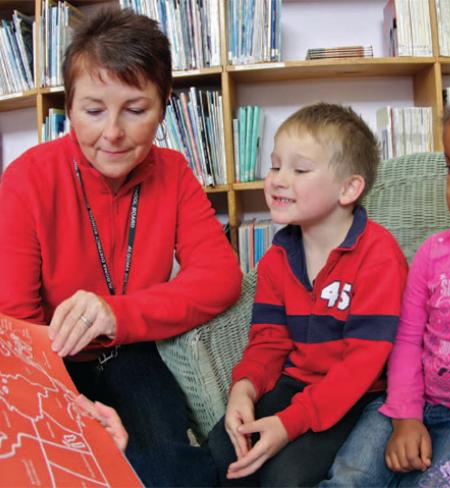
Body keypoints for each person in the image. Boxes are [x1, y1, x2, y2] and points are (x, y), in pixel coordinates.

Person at [0, 8, 242, 487]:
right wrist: (73, 409)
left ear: (164, 106)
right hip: (49, 361)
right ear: (67, 107)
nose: (112, 132)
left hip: (132, 348)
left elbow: (221, 276)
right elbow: (16, 321)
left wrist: (117, 315)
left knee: (169, 473)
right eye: (93, 111)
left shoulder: (172, 171)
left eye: (135, 110)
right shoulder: (27, 178)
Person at [320, 63, 450, 488]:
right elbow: (407, 338)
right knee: (348, 479)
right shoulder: (433, 255)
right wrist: (405, 416)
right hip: (403, 402)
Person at [207, 102, 408, 487]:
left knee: (286, 477)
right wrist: (243, 389)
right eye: (275, 165)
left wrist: (289, 424)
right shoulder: (277, 258)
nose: (279, 179)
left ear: (349, 188)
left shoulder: (379, 257)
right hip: (295, 385)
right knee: (221, 453)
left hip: (358, 397)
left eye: (299, 170)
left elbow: (360, 367)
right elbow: (268, 342)